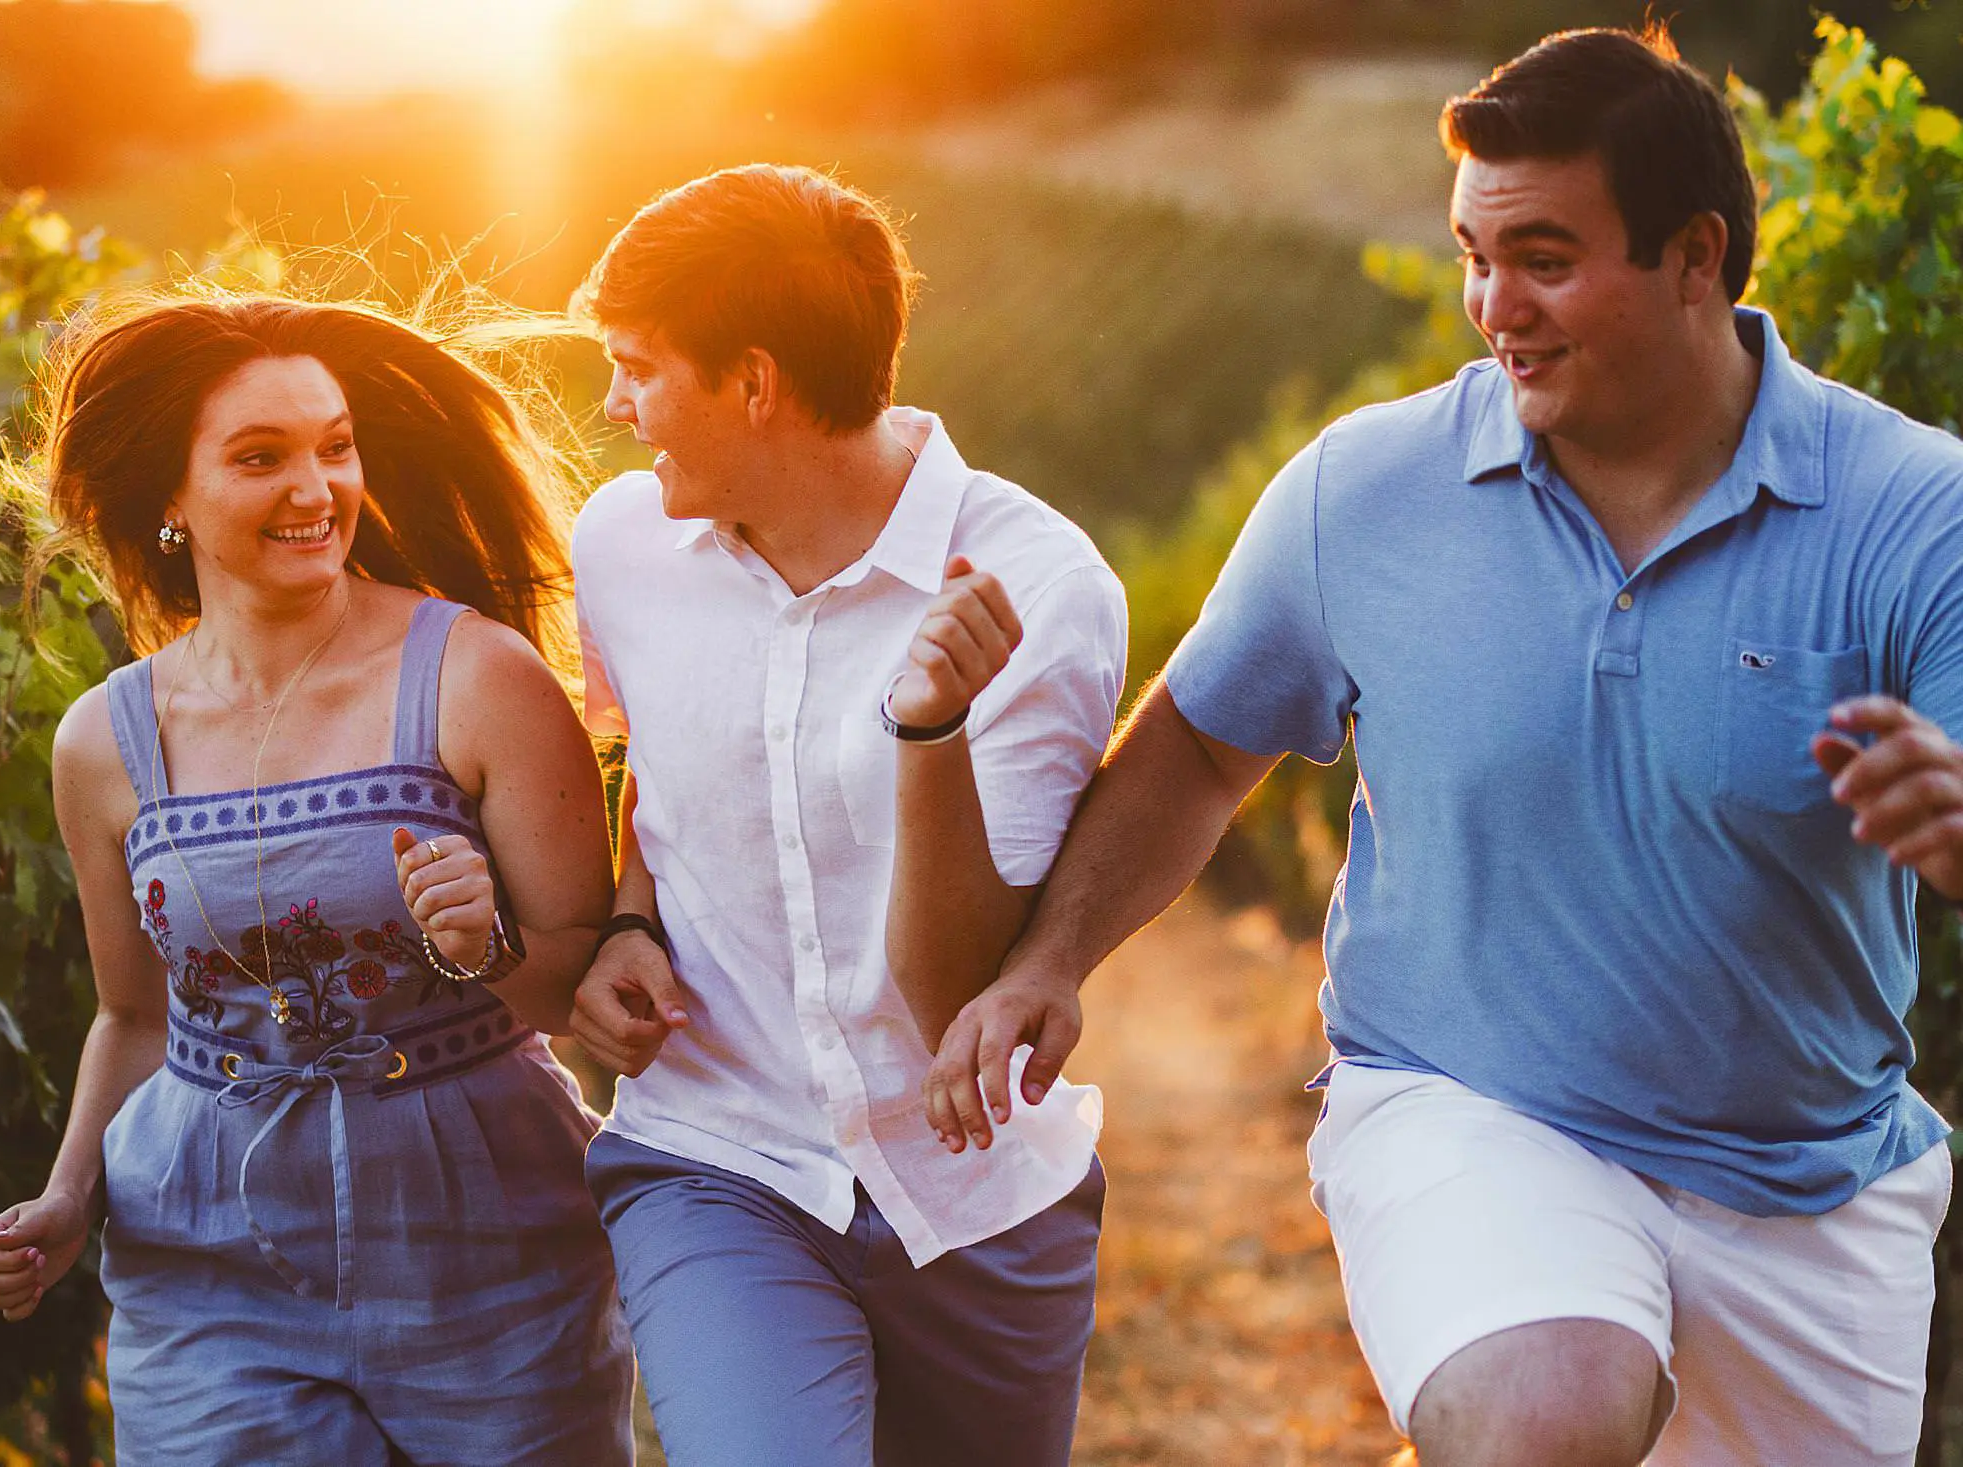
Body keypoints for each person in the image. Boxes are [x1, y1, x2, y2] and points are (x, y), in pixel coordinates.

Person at [924, 25, 1963, 1467]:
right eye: (1474, 256)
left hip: (1811, 1181)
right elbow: (1193, 752)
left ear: (1697, 256)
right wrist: (1048, 959)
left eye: (1542, 257)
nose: (1493, 305)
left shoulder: (1914, 512)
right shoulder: (1367, 491)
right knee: (1545, 1411)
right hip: (1469, 1100)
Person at [0, 296, 634, 1463]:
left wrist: (488, 948)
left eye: (335, 447)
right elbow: (133, 1014)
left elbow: (576, 994)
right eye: (260, 457)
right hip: (207, 1255)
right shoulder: (105, 741)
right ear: (167, 499)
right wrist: (69, 1196)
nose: (317, 488)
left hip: (483, 1239)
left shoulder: (477, 677)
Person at [564, 164, 1127, 1466]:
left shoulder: (1040, 588)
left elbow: (955, 999)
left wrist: (926, 728)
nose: (613, 403)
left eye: (638, 367)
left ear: (754, 381)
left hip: (977, 1191)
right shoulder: (622, 546)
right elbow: (648, 763)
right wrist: (628, 920)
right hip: (714, 1159)